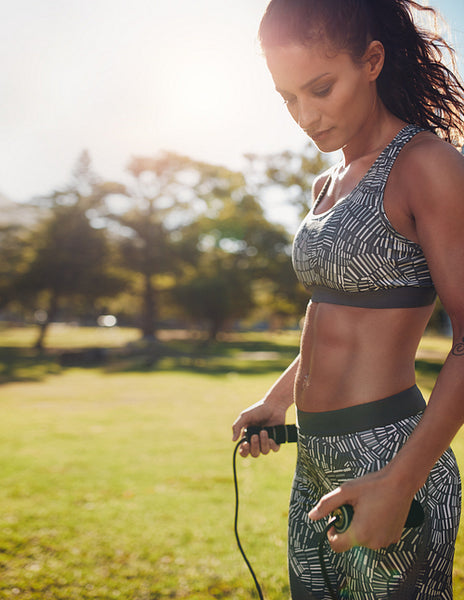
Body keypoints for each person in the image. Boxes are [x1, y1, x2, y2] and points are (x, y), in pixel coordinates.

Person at [231, 0, 464, 598]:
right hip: (314, 457)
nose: (305, 115)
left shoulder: (426, 165)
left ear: (373, 61)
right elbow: (334, 317)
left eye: (321, 88)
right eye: (288, 98)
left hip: (390, 456)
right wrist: (277, 399)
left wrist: (400, 482)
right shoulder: (327, 183)